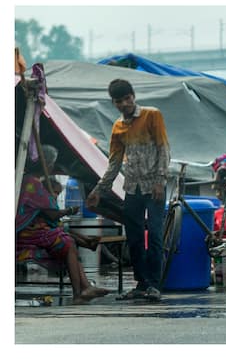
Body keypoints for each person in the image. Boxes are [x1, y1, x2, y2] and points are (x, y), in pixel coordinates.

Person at [86, 79, 170, 302]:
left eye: (127, 98)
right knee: (133, 238)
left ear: (133, 96)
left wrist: (161, 179)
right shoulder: (118, 127)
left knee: (154, 234)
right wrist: (99, 190)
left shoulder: (152, 115)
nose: (125, 103)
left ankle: (154, 284)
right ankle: (141, 284)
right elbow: (114, 163)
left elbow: (163, 149)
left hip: (155, 186)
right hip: (132, 188)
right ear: (113, 103)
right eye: (119, 101)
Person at [16, 145, 110, 303]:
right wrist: (69, 211)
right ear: (47, 164)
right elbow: (52, 213)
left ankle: (84, 287)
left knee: (66, 239)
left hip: (35, 229)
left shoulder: (29, 180)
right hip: (27, 232)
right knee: (67, 241)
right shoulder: (33, 183)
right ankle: (80, 291)